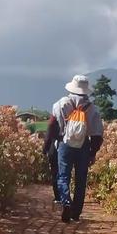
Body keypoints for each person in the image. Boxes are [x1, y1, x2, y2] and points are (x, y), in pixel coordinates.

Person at [43, 75, 104, 222]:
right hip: (83, 145)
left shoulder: (61, 104)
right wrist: (92, 153)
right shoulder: (93, 109)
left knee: (63, 176)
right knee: (81, 179)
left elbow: (51, 125)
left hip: (65, 145)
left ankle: (66, 202)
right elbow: (97, 134)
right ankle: (76, 213)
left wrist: (48, 144)